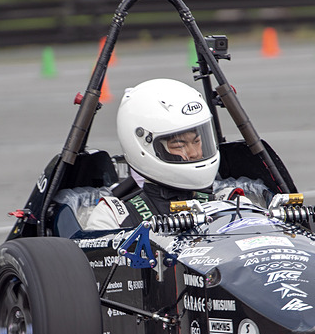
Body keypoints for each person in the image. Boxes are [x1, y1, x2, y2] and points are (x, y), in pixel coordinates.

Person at [85, 78, 220, 229]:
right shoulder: (113, 217)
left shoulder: (229, 199)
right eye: (180, 145)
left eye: (197, 141)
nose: (194, 153)